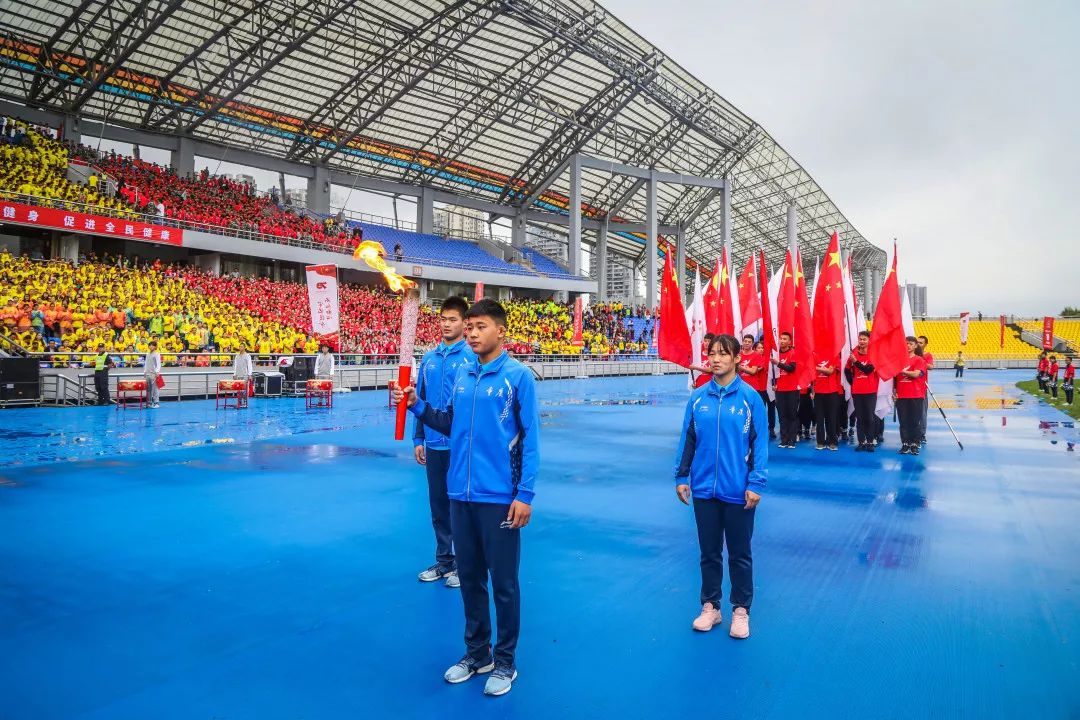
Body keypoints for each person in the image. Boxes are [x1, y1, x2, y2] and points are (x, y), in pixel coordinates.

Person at [395, 299, 539, 697]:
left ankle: (506, 661)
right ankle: (478, 654)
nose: (472, 333)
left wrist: (524, 494)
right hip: (460, 492)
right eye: (470, 327)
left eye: (480, 327)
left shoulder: (518, 378)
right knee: (471, 578)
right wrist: (417, 406)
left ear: (500, 331)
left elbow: (530, 442)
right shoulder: (462, 375)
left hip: (499, 497)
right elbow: (449, 422)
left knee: (504, 584)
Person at [674, 334, 767, 640]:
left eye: (723, 354)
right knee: (709, 553)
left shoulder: (751, 398)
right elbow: (688, 438)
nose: (715, 359)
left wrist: (755, 482)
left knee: (740, 554)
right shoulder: (698, 397)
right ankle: (711, 607)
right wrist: (681, 476)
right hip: (703, 490)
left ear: (737, 359)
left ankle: (741, 610)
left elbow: (760, 444)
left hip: (738, 491)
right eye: (712, 353)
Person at [413, 295, 474, 588]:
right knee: (438, 505)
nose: (447, 324)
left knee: (460, 506)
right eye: (443, 319)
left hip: (460, 446)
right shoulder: (428, 358)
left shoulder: (471, 358)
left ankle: (465, 564)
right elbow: (419, 400)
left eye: (453, 319)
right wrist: (418, 437)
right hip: (434, 445)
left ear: (465, 323)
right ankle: (445, 560)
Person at [846, 331, 879, 452]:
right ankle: (861, 442)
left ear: (869, 340)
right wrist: (853, 382)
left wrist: (856, 362)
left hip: (870, 391)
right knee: (859, 417)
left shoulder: (873, 354)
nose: (862, 341)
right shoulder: (853, 354)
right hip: (857, 391)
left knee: (869, 417)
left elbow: (868, 370)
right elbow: (846, 370)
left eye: (864, 339)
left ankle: (870, 441)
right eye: (860, 339)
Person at [894, 336, 927, 456]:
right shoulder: (899, 360)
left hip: (916, 395)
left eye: (911, 344)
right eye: (906, 343)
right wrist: (894, 391)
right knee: (903, 421)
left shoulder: (919, 360)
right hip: (902, 395)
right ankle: (905, 443)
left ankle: (915, 443)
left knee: (914, 421)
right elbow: (894, 379)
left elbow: (916, 374)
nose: (908, 346)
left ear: (915, 346)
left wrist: (901, 370)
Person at [739, 338, 775, 440]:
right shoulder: (748, 356)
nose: (761, 349)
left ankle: (770, 428)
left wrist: (742, 367)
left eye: (763, 348)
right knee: (755, 410)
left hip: (768, 387)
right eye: (759, 348)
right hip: (758, 388)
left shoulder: (764, 358)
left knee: (770, 409)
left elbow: (754, 370)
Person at [771, 332, 799, 448]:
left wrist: (778, 364)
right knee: (782, 415)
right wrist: (773, 384)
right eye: (781, 338)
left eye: (785, 339)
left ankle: (792, 440)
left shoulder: (793, 353)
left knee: (792, 415)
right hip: (780, 390)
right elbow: (771, 373)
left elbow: (791, 369)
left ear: (789, 342)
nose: (782, 340)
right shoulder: (775, 354)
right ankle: (784, 440)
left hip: (792, 389)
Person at [813, 353, 842, 451]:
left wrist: (815, 367)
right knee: (819, 419)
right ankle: (820, 442)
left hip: (832, 392)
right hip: (818, 392)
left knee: (831, 418)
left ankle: (832, 442)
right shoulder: (814, 355)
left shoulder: (834, 355)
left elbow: (830, 371)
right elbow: (811, 374)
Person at [916, 335, 934, 446]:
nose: (919, 344)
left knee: (922, 412)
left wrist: (920, 361)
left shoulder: (927, 355)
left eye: (921, 343)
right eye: (917, 342)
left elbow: (931, 366)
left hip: (922, 387)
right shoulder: (911, 355)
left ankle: (922, 434)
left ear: (925, 344)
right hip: (908, 388)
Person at [144, 340, 162, 408]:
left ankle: (156, 402)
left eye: (153, 345)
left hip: (154, 373)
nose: (151, 346)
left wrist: (157, 372)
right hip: (148, 373)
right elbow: (146, 363)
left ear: (155, 347)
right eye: (150, 345)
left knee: (155, 388)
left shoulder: (157, 354)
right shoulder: (147, 354)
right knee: (148, 389)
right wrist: (145, 371)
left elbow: (158, 364)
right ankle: (149, 402)